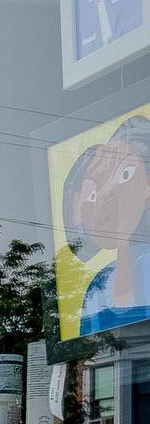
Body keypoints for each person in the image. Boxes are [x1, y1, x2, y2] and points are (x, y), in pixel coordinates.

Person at [65, 114, 150, 336]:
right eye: (93, 194)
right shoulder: (99, 284)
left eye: (125, 174)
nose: (108, 198)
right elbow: (90, 350)